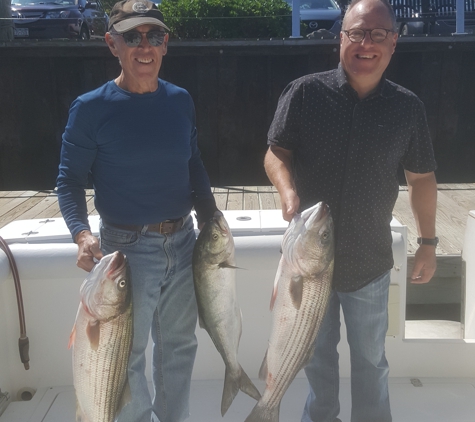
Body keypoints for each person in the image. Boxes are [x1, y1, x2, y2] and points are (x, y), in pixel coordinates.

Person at [264, 0, 438, 420]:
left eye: (378, 34)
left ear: (393, 43)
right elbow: (275, 153)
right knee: (315, 362)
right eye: (357, 33)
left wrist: (429, 243)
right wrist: (287, 192)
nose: (367, 43)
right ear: (341, 38)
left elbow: (422, 179)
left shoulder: (407, 107)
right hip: (306, 265)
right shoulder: (305, 91)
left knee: (371, 364)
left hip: (369, 264)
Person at [56, 1, 218, 421]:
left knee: (180, 347)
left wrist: (211, 218)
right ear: (112, 44)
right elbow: (69, 182)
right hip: (126, 251)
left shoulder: (180, 100)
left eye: (154, 36)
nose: (144, 46)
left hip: (183, 243)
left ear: (166, 44)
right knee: (126, 357)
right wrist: (81, 233)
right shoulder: (90, 109)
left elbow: (193, 162)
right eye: (132, 36)